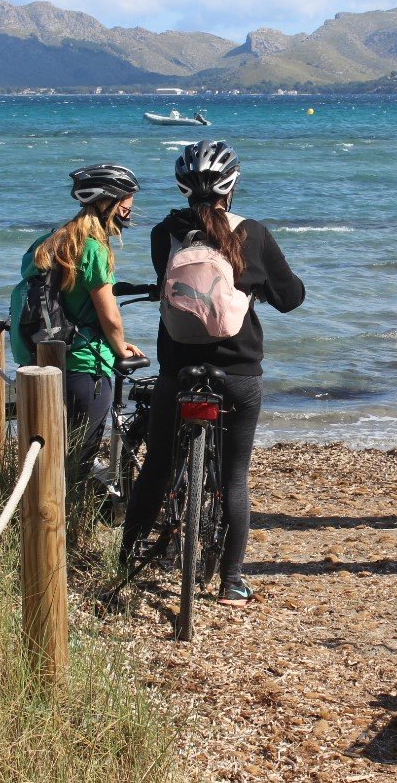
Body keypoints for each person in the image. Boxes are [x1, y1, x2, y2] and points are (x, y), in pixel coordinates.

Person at [120, 140, 305, 607]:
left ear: (182, 188)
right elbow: (291, 297)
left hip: (178, 367)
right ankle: (232, 581)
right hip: (239, 370)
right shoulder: (254, 234)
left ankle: (126, 558)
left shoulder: (164, 234)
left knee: (159, 465)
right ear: (233, 185)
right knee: (234, 477)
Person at [9, 163, 144, 492]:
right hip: (84, 364)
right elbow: (108, 314)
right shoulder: (93, 248)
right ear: (107, 202)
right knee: (77, 462)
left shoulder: (49, 241)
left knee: (52, 452)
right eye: (126, 199)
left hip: (44, 358)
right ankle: (66, 529)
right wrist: (120, 346)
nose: (130, 207)